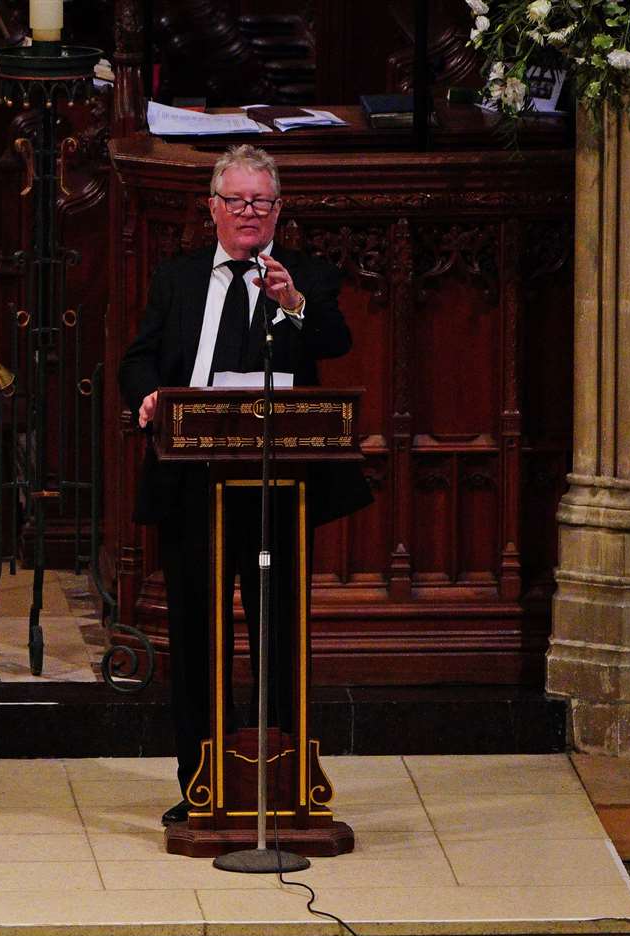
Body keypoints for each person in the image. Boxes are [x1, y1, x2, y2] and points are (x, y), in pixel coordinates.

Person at [118, 145, 370, 826]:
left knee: (276, 633)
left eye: (261, 201)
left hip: (273, 489)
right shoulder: (175, 278)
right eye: (236, 201)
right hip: (189, 483)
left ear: (278, 210)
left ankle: (283, 780)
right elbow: (139, 358)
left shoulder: (305, 276)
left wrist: (290, 304)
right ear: (213, 209)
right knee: (196, 637)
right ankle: (199, 782)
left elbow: (335, 343)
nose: (248, 213)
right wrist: (145, 401)